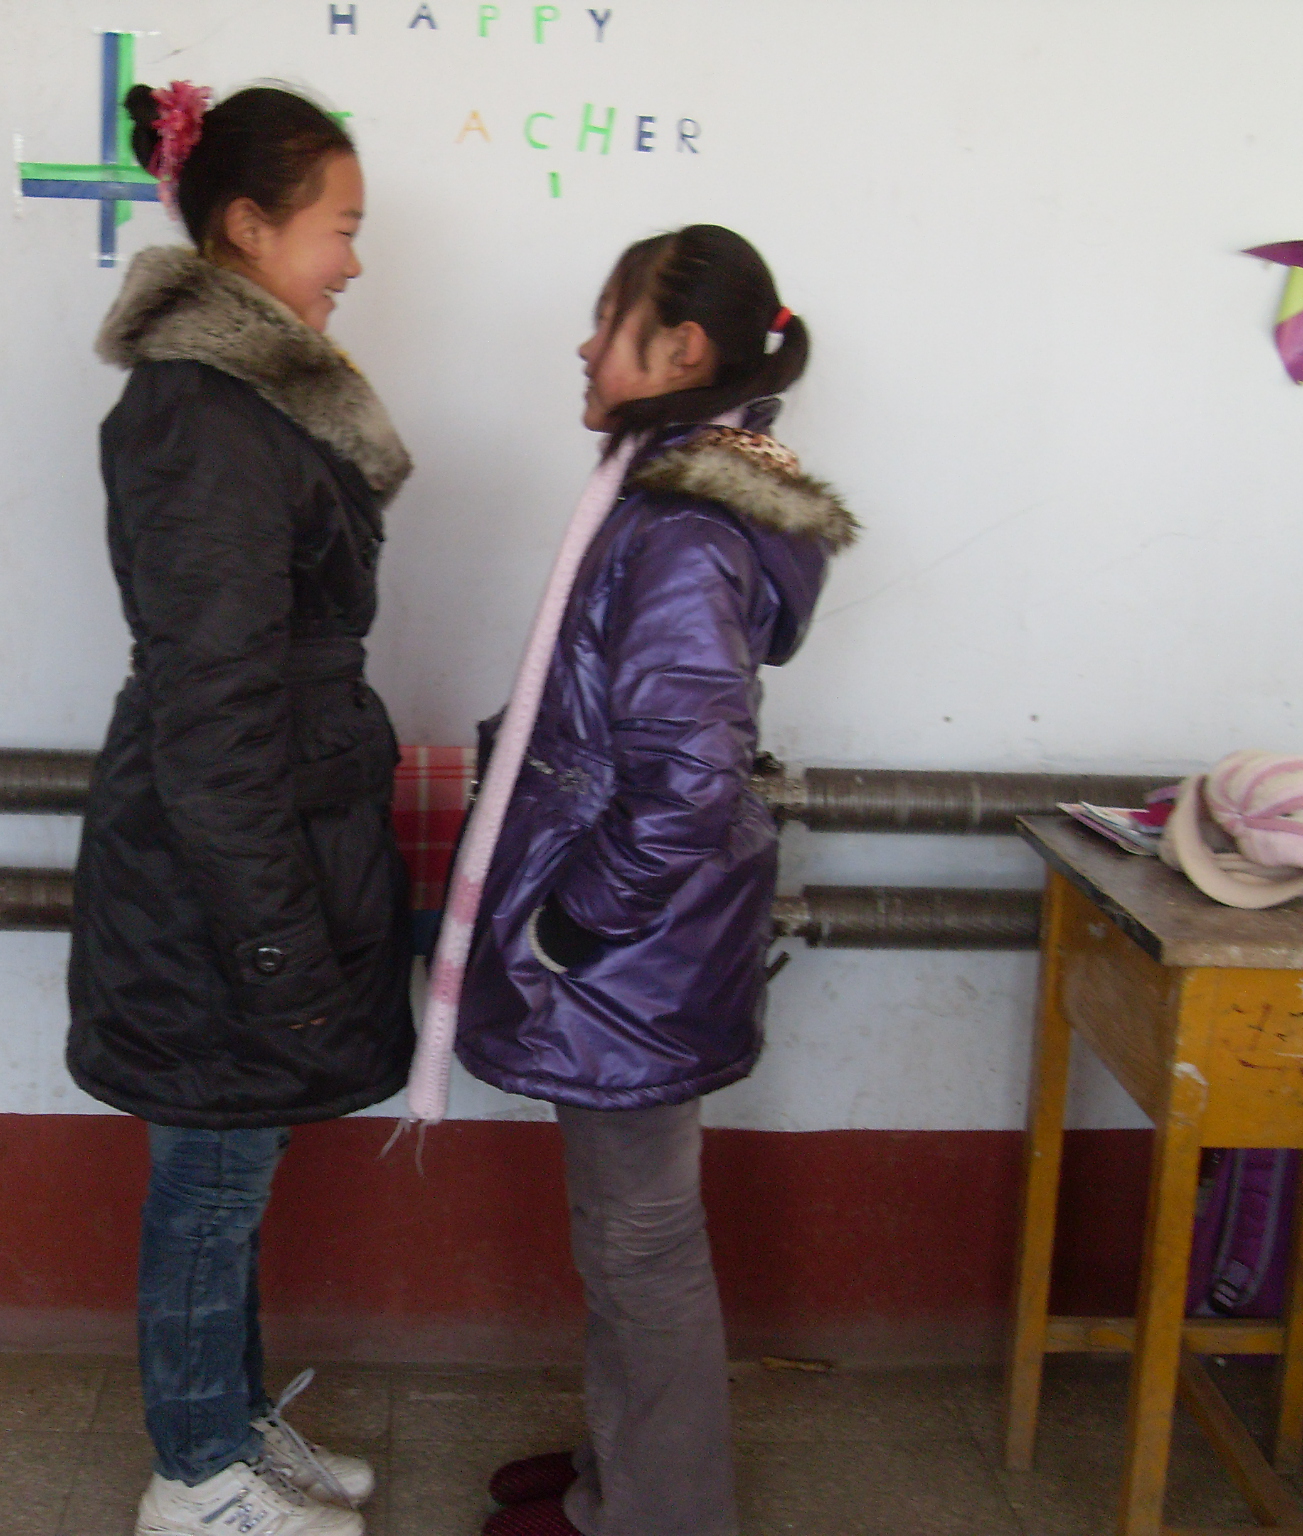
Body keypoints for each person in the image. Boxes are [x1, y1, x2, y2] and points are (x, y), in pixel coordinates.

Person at [453, 226, 858, 1536]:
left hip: (628, 954)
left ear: (680, 349)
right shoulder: (668, 500)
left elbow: (683, 781)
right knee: (626, 1234)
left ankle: (660, 1514)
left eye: (608, 317)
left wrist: (573, 929)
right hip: (645, 953)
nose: (584, 343)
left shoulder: (682, 529)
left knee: (642, 1242)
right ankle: (618, 1480)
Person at [65, 79, 414, 1536]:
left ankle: (230, 1425)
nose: (353, 259)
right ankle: (195, 1477)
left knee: (236, 1159)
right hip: (220, 869)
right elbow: (214, 718)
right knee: (213, 1179)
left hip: (260, 846)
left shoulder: (246, 402)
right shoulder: (204, 418)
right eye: (339, 226)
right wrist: (275, 942)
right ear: (252, 227)